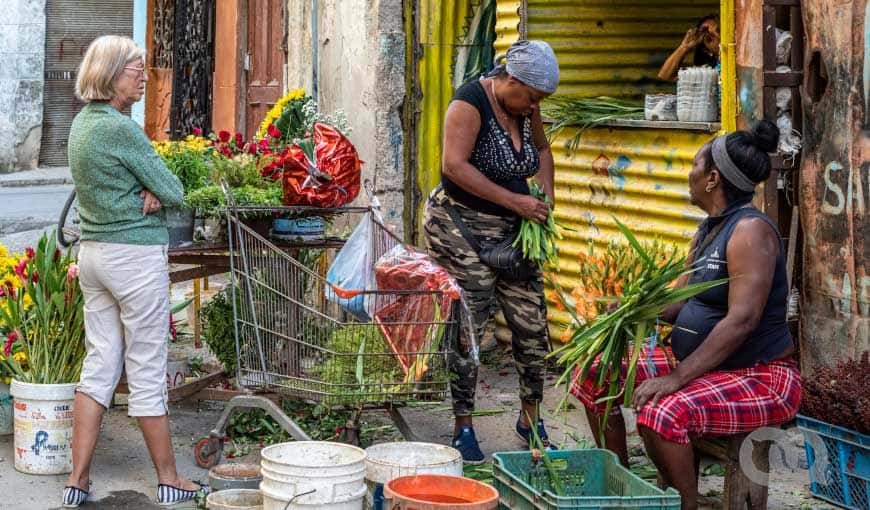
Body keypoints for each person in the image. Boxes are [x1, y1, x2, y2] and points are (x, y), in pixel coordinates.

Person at [571, 120, 800, 510]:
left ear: (712, 179)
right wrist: (630, 310)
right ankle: (624, 489)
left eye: (695, 164)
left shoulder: (749, 231)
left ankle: (682, 505)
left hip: (759, 376)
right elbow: (679, 304)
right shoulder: (709, 230)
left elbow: (742, 320)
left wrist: (676, 377)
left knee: (661, 411)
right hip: (709, 367)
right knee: (596, 372)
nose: (689, 173)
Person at [63, 35, 207, 507]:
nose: (144, 76)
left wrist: (148, 190)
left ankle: (77, 481)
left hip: (95, 256)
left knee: (99, 364)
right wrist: (153, 192)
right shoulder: (121, 129)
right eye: (135, 69)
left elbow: (142, 188)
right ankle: (169, 479)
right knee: (146, 367)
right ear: (109, 73)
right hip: (132, 257)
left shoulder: (82, 125)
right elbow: (174, 187)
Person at [423, 40, 559, 464]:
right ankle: (464, 427)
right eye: (532, 97)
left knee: (532, 326)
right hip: (461, 226)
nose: (534, 106)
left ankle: (530, 418)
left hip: (513, 230)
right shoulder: (469, 103)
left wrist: (545, 201)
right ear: (512, 80)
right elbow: (454, 167)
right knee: (470, 325)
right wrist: (517, 202)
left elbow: (541, 152)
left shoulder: (527, 107)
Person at [658, 14, 720, 82]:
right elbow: (665, 76)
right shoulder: (709, 73)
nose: (717, 37)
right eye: (709, 38)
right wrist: (684, 47)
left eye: (719, 31)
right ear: (706, 51)